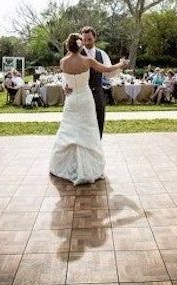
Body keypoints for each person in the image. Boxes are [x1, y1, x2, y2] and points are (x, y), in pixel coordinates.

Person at [49, 33, 128, 185]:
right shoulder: (88, 61)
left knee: (68, 129)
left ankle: (66, 165)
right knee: (88, 130)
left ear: (68, 46)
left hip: (71, 100)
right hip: (85, 99)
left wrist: (66, 86)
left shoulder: (63, 62)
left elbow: (66, 80)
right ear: (80, 45)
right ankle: (89, 167)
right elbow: (107, 68)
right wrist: (121, 63)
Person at [80, 26, 120, 138]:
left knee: (99, 120)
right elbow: (68, 72)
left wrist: (120, 67)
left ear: (95, 38)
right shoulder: (77, 55)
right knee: (83, 123)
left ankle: (98, 144)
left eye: (89, 39)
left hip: (98, 92)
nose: (87, 42)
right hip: (82, 93)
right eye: (84, 40)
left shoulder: (102, 54)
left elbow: (109, 73)